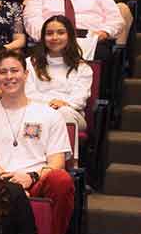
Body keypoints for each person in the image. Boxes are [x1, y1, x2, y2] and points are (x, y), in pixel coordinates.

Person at [0, 48, 75, 234]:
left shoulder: (50, 115)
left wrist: (30, 178)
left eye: (14, 71)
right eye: (2, 72)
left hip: (36, 182)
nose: (9, 77)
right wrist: (12, 186)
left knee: (61, 180)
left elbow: (57, 163)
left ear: (26, 75)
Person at [26, 15, 94, 154]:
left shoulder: (82, 67)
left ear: (69, 36)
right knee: (33, 116)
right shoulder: (29, 63)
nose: (55, 37)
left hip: (71, 113)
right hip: (37, 111)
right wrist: (50, 103)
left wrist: (61, 104)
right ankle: (33, 159)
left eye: (61, 33)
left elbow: (79, 99)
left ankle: (66, 164)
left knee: (63, 114)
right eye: (49, 33)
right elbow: (29, 93)